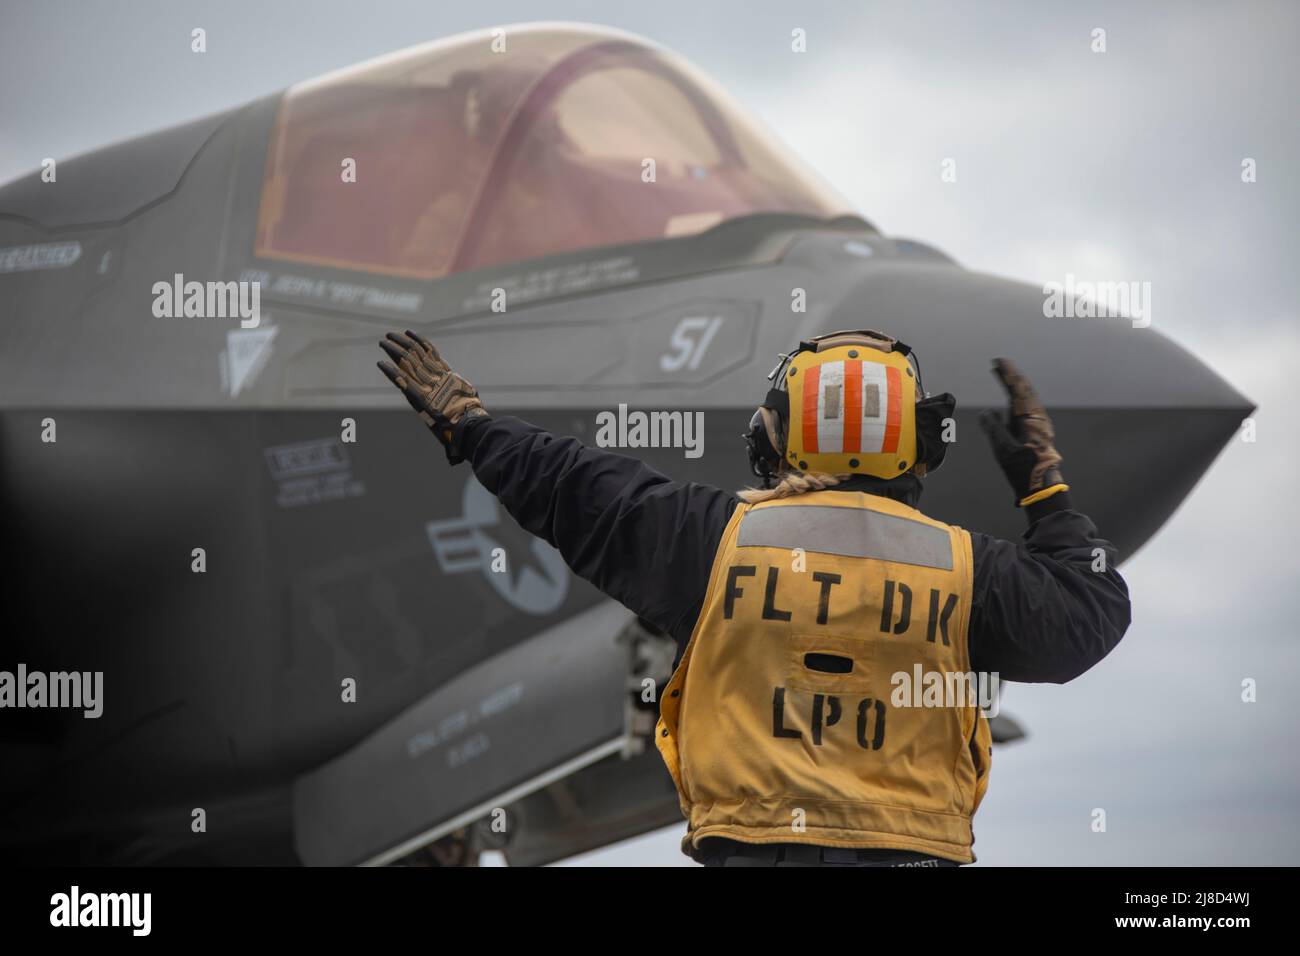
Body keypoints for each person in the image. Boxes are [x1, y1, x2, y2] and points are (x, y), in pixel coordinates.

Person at [377, 327, 1131, 867]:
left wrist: (471, 427)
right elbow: (1089, 614)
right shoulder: (970, 571)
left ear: (778, 435)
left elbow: (573, 486)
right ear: (919, 447)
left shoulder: (711, 540)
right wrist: (1046, 489)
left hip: (754, 852)